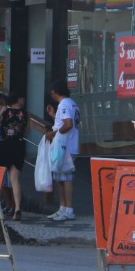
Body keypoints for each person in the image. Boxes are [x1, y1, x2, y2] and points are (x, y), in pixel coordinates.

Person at [0, 92, 27, 221]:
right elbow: (26, 132)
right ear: (18, 100)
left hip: (4, 146)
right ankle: (17, 209)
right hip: (18, 146)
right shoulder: (25, 114)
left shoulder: (4, 113)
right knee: (15, 179)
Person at [45, 80, 80, 222]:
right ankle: (63, 208)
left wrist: (53, 134)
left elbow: (68, 124)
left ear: (55, 91)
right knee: (60, 177)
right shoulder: (72, 104)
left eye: (52, 92)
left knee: (66, 178)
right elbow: (66, 121)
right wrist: (54, 116)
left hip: (65, 146)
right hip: (68, 145)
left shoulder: (64, 104)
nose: (51, 95)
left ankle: (69, 209)